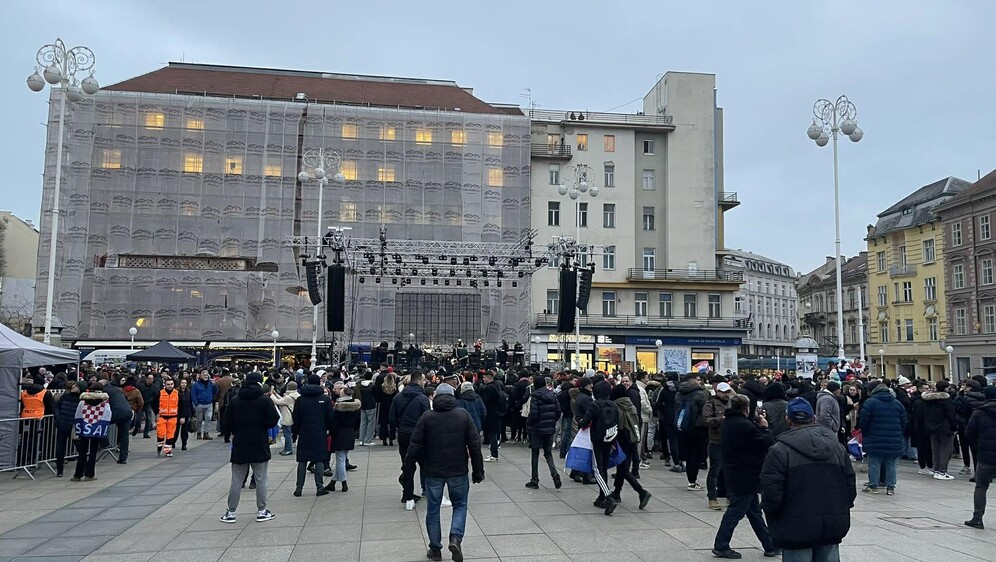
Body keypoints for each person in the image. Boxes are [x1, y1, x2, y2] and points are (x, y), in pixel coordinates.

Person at [761, 397, 856, 561]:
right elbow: (850, 486)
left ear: (788, 419)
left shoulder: (779, 450)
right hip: (831, 523)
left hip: (794, 526)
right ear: (813, 418)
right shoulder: (837, 448)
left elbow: (771, 492)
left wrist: (773, 515)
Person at [402, 382, 485, 562]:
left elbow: (414, 447)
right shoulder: (463, 415)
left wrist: (407, 470)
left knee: (433, 509)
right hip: (458, 469)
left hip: (433, 470)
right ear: (453, 396)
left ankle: (435, 548)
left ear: (436, 397)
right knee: (460, 505)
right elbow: (474, 444)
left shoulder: (427, 417)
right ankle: (455, 537)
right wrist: (478, 470)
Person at [712, 394, 778, 559]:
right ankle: (721, 544)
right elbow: (765, 442)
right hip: (745, 474)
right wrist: (764, 427)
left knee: (754, 511)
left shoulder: (729, 422)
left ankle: (769, 544)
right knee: (735, 512)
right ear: (746, 408)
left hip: (736, 472)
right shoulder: (743, 425)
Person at [220, 372, 280, 524]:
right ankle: (261, 510)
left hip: (240, 443)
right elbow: (273, 419)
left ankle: (231, 512)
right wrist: (263, 426)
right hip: (259, 442)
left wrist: (235, 430)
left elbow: (226, 423)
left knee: (236, 480)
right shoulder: (264, 400)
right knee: (261, 479)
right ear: (259, 383)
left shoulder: (236, 400)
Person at [577, 380, 621, 515]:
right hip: (610, 438)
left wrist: (580, 422)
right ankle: (601, 497)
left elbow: (585, 421)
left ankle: (607, 496)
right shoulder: (614, 405)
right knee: (604, 467)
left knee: (597, 469)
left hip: (597, 439)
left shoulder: (594, 405)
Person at [391, 370, 432, 509]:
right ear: (419, 380)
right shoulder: (422, 398)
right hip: (419, 436)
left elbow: (392, 418)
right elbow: (427, 419)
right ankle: (428, 491)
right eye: (424, 379)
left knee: (407, 464)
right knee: (425, 464)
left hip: (403, 434)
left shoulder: (398, 397)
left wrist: (400, 427)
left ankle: (407, 495)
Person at [609, 382, 653, 510]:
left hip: (622, 440)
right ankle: (617, 493)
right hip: (632, 439)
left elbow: (618, 426)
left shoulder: (617, 407)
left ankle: (641, 492)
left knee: (623, 469)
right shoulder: (631, 406)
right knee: (622, 468)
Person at [859, 383, 907, 494]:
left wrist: (866, 433)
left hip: (874, 437)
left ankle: (873, 486)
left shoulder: (870, 403)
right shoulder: (897, 403)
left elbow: (864, 421)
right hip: (894, 438)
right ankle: (890, 487)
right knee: (891, 463)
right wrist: (898, 433)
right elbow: (904, 421)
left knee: (874, 462)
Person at [292, 374, 333, 497]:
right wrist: (330, 429)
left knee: (302, 460)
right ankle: (319, 487)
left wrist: (296, 431)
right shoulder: (324, 399)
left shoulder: (301, 399)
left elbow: (296, 417)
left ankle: (299, 488)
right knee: (319, 459)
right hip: (319, 432)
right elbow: (330, 417)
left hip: (305, 432)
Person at [965, 385, 996, 528]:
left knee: (981, 486)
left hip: (985, 456)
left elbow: (969, 433)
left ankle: (977, 518)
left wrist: (978, 446)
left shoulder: (979, 413)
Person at [525, 376, 562, 490]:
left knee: (535, 453)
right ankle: (554, 473)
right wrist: (551, 422)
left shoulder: (535, 396)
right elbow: (558, 411)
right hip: (549, 428)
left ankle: (534, 479)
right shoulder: (553, 395)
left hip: (537, 429)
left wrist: (529, 424)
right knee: (548, 453)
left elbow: (534, 414)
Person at [675, 373, 709, 491]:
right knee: (696, 454)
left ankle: (691, 480)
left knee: (689, 454)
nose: (700, 382)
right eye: (698, 379)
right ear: (692, 381)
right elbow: (705, 411)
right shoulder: (700, 394)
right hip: (697, 428)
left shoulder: (679, 393)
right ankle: (693, 481)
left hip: (683, 426)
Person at [71, 384, 112, 482]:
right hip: (97, 429)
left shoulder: (83, 402)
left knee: (82, 451)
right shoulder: (105, 403)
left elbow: (78, 415)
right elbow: (107, 415)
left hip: (85, 428)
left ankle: (78, 474)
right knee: (93, 451)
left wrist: (79, 426)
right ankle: (90, 474)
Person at [703, 381, 734, 510]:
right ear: (718, 392)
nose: (727, 394)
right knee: (715, 470)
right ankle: (712, 497)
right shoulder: (710, 404)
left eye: (728, 391)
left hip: (730, 441)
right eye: (724, 392)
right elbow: (707, 421)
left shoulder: (732, 403)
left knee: (729, 470)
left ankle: (729, 496)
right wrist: (721, 419)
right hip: (716, 441)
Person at [922, 380, 958, 480]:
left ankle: (936, 469)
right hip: (945, 428)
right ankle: (942, 471)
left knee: (935, 450)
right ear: (945, 388)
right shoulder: (946, 400)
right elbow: (951, 415)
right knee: (945, 450)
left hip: (931, 428)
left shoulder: (928, 400)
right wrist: (954, 428)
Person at [327, 385, 361, 492]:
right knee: (342, 457)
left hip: (339, 434)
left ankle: (344, 482)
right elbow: (357, 422)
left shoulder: (338, 407)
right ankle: (332, 482)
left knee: (340, 460)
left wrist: (331, 431)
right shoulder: (355, 406)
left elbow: (333, 423)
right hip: (350, 432)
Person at [99, 378, 133, 464]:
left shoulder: (104, 392)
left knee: (100, 425)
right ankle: (123, 457)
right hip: (127, 412)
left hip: (117, 413)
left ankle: (105, 443)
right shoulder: (117, 389)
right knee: (124, 435)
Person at [53, 382, 83, 477]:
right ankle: (59, 470)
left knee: (78, 447)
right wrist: (58, 417)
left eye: (76, 386)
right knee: (61, 447)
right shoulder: (65, 396)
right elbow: (57, 407)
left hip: (72, 425)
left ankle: (83, 467)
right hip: (66, 423)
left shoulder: (80, 399)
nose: (73, 387)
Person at [479, 370, 507, 463]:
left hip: (491, 414)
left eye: (484, 377)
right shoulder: (497, 386)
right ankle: (494, 453)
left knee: (492, 435)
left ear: (488, 377)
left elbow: (485, 402)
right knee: (494, 434)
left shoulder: (488, 389)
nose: (483, 379)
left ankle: (494, 454)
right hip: (497, 413)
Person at [152, 378, 184, 458]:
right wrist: (156, 413)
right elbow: (154, 404)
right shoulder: (160, 393)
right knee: (160, 433)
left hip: (173, 417)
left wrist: (182, 417)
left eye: (171, 384)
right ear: (165, 385)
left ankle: (168, 451)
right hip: (162, 417)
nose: (170, 386)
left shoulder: (177, 394)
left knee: (170, 435)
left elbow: (182, 406)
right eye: (168, 384)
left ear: (174, 384)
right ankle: (159, 447)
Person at [272, 381, 299, 456]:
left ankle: (288, 449)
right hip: (292, 417)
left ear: (288, 387)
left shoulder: (289, 397)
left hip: (287, 418)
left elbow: (278, 402)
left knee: (287, 434)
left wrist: (271, 395)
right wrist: (275, 394)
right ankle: (287, 448)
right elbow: (283, 400)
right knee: (288, 434)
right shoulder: (295, 395)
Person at [190, 370, 218, 440]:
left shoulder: (211, 384)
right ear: (200, 376)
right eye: (204, 375)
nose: (205, 376)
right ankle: (199, 433)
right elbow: (193, 395)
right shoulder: (196, 385)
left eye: (206, 375)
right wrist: (196, 403)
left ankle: (206, 433)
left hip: (209, 404)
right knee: (199, 420)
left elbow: (215, 391)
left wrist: (215, 385)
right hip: (199, 404)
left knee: (208, 418)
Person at [356, 371, 378, 446]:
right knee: (371, 423)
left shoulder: (360, 386)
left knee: (363, 423)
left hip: (363, 405)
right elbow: (375, 395)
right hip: (371, 405)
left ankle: (361, 439)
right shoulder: (372, 385)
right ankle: (368, 440)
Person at [174, 377, 194, 451]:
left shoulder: (188, 392)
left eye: (185, 383)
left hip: (186, 413)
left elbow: (190, 403)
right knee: (175, 430)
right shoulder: (176, 392)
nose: (184, 384)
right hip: (177, 413)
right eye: (182, 383)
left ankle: (184, 444)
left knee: (184, 430)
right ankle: (173, 442)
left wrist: (192, 412)